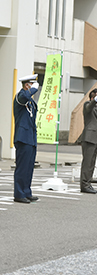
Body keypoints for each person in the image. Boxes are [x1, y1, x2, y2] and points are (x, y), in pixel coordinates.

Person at [13, 74, 40, 204]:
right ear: (27, 85)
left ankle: (26, 191)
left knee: (29, 167)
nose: (35, 86)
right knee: (22, 167)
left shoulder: (30, 101)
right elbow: (24, 97)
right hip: (22, 137)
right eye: (32, 84)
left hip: (31, 137)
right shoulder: (21, 96)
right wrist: (33, 89)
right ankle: (19, 193)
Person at [80, 87, 97, 194]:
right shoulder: (87, 105)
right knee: (87, 162)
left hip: (95, 138)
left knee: (91, 162)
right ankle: (84, 184)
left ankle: (88, 183)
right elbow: (89, 107)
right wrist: (95, 99)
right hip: (89, 138)